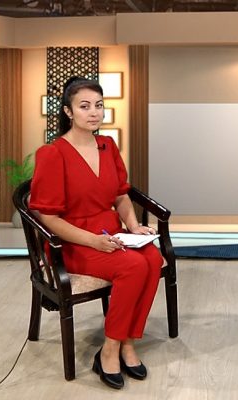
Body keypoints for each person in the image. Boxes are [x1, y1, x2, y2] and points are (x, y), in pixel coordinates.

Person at [29, 77, 163, 390]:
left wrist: (134, 226)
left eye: (99, 106)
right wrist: (93, 241)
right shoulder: (52, 153)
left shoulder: (107, 146)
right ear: (68, 111)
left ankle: (128, 342)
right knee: (133, 266)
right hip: (72, 241)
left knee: (153, 258)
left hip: (111, 233)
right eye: (84, 106)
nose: (94, 112)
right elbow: (47, 217)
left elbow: (120, 194)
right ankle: (110, 350)